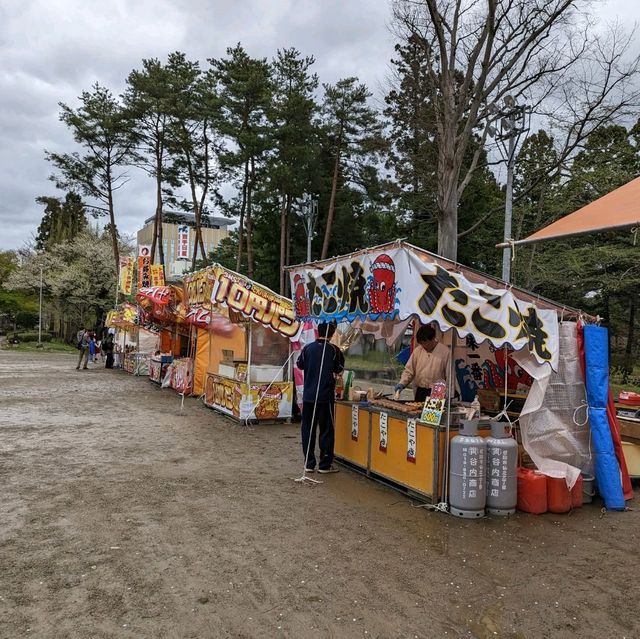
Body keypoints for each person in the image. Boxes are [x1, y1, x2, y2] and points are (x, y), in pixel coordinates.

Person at [296, 321, 345, 474]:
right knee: (326, 430)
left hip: (309, 396)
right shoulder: (334, 350)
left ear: (318, 331)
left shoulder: (307, 348)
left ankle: (309, 463)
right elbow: (340, 370)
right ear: (332, 333)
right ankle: (324, 464)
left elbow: (300, 365)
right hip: (325, 397)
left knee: (308, 429)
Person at [394, 324, 450, 402]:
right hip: (420, 391)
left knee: (431, 414)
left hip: (437, 392)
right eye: (421, 343)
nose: (423, 345)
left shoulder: (445, 352)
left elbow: (449, 376)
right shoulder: (418, 350)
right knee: (417, 412)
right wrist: (402, 383)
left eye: (425, 342)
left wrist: (447, 393)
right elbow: (409, 370)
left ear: (433, 339)